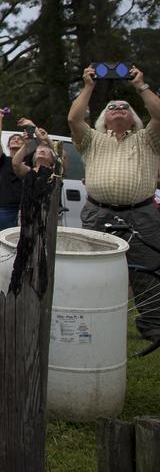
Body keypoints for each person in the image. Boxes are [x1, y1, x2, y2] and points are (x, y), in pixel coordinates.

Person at [69, 64, 160, 341]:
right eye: (112, 107)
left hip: (141, 213)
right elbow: (74, 119)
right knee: (93, 269)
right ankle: (91, 320)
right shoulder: (92, 140)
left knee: (148, 271)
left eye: (124, 106)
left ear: (133, 118)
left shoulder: (149, 139)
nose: (118, 107)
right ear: (103, 119)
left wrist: (140, 86)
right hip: (98, 212)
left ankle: (153, 326)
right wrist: (88, 87)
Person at [0, 109, 31, 231]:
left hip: (26, 207)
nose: (15, 139)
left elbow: (42, 143)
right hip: (7, 208)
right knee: (6, 244)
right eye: (12, 139)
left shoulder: (30, 160)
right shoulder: (3, 161)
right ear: (8, 145)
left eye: (19, 139)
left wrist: (30, 126)